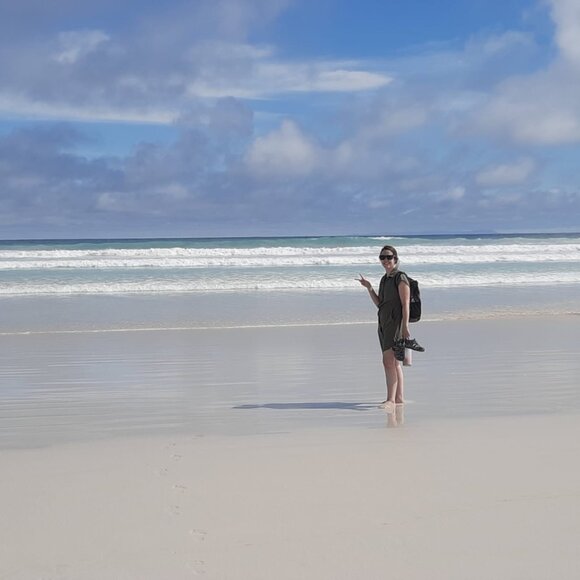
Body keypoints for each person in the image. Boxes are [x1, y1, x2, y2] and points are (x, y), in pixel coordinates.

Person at [356, 245, 423, 410]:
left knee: (388, 361)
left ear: (395, 259)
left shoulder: (400, 277)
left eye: (388, 257)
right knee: (395, 362)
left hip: (396, 323)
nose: (385, 260)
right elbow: (381, 303)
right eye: (382, 257)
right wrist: (369, 288)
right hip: (384, 324)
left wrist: (405, 326)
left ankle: (390, 400)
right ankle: (398, 398)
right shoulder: (384, 279)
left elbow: (405, 304)